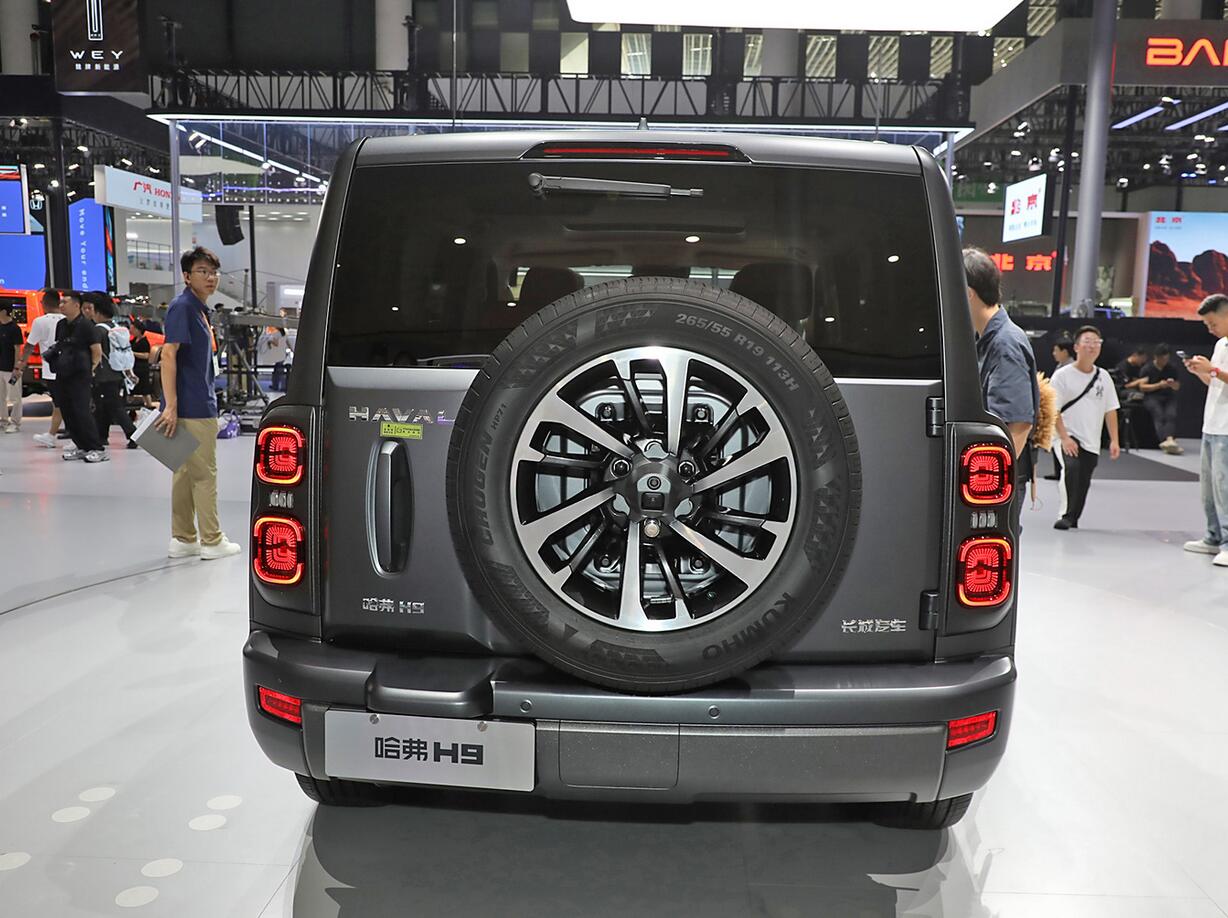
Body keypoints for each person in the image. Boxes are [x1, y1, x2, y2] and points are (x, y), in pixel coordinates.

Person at [155, 247, 240, 560]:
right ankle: (212, 540)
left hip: (189, 402)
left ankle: (184, 538)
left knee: (185, 474)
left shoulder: (197, 308)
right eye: (203, 271)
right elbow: (168, 354)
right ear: (187, 276)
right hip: (193, 405)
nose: (211, 277)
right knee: (204, 475)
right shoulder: (183, 307)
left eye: (214, 272)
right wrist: (171, 405)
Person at [963, 248, 1039, 502]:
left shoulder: (1005, 344)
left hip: (996, 482)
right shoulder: (985, 338)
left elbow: (1018, 424)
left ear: (968, 293)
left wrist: (990, 484)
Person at [1051, 325, 1120, 530]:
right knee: (1071, 469)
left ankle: (1073, 517)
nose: (1092, 346)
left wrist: (1114, 440)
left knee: (1083, 479)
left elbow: (1111, 410)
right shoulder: (1062, 376)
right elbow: (1053, 409)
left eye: (1096, 342)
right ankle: (1065, 514)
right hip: (1066, 434)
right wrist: (1064, 437)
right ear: (1076, 347)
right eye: (1087, 342)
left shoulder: (1104, 377)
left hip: (1091, 438)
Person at [1183, 294, 1228, 566]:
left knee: (1225, 487)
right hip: (1211, 424)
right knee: (1209, 487)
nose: (1210, 329)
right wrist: (1200, 371)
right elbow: (1216, 382)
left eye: (1213, 323)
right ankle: (1213, 536)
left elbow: (1218, 374)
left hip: (1227, 429)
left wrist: (1211, 370)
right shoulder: (1221, 344)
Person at [52, 291, 107, 463]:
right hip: (63, 373)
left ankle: (97, 448)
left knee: (82, 411)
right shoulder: (61, 324)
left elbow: (96, 351)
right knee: (68, 411)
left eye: (65, 302)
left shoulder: (86, 325)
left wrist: (91, 369)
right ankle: (82, 446)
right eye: (60, 302)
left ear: (76, 305)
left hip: (80, 376)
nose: (61, 305)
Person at [84, 292, 138, 449]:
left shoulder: (98, 330)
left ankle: (133, 434)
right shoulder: (116, 327)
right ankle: (102, 436)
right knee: (104, 407)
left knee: (114, 407)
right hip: (118, 372)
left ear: (97, 312)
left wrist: (90, 370)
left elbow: (96, 352)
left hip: (103, 374)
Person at [18, 288, 68, 447]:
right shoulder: (68, 320)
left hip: (51, 369)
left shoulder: (40, 321)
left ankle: (52, 435)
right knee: (65, 402)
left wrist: (22, 363)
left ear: (44, 303)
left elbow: (29, 345)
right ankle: (66, 432)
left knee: (58, 404)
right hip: (68, 368)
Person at [1139, 343, 1182, 455]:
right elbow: (1142, 387)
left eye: (1166, 359)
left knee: (1170, 414)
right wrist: (1158, 385)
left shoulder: (1172, 368)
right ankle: (1164, 440)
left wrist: (1172, 384)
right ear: (1156, 357)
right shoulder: (1147, 369)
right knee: (1159, 414)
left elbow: (1177, 386)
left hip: (1168, 396)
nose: (1164, 361)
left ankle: (1169, 439)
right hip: (1152, 396)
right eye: (1162, 359)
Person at [1043, 337, 1076, 480]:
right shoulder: (1060, 367)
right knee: (1057, 440)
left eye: (1056, 350)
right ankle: (1059, 471)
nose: (1054, 353)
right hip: (1057, 408)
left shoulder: (1071, 369)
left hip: (1067, 411)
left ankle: (1066, 472)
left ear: (1065, 352)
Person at [0, 304, 23, 433]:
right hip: (0, 369)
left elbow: (17, 349)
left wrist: (17, 367)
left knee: (15, 397)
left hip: (11, 370)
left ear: (4, 311)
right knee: (1, 396)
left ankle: (15, 422)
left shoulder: (14, 328)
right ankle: (3, 420)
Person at [130, 320, 156, 409]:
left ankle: (149, 405)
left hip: (142, 367)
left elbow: (146, 355)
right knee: (133, 387)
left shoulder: (144, 342)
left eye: (132, 329)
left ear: (138, 330)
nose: (131, 330)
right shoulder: (133, 340)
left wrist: (133, 353)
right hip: (134, 366)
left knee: (144, 388)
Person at [258, 324, 288, 392]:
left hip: (279, 354)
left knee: (278, 371)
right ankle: (280, 386)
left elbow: (276, 343)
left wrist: (270, 341)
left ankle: (277, 386)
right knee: (279, 370)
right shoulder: (284, 334)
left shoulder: (277, 334)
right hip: (282, 353)